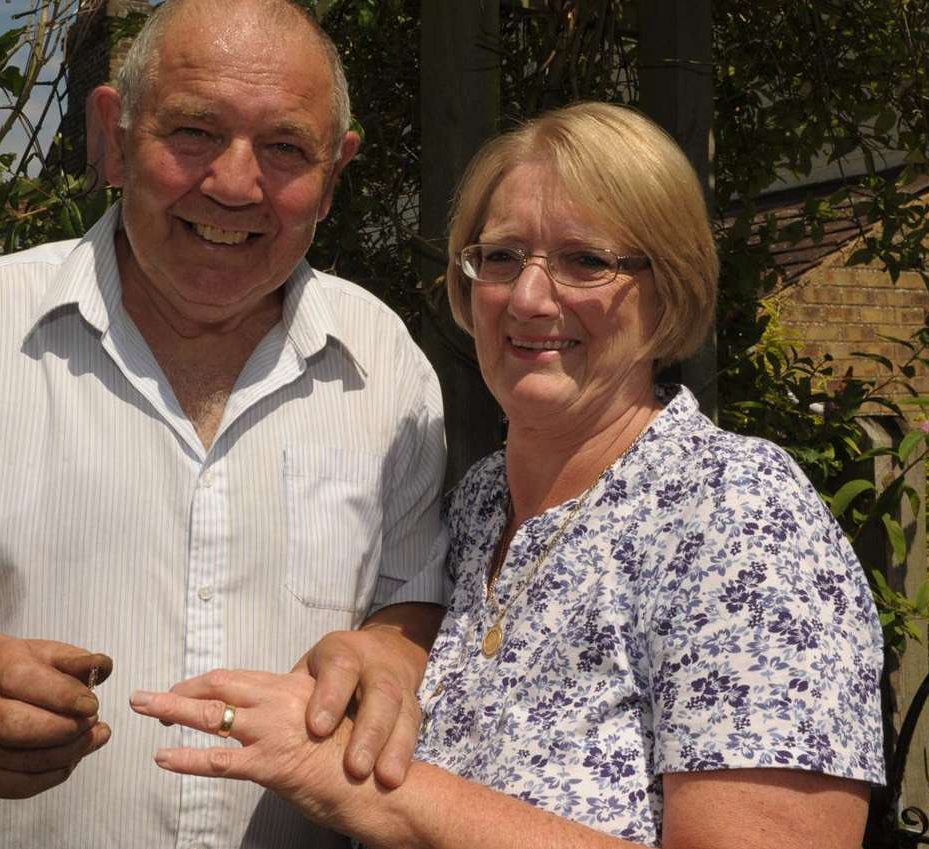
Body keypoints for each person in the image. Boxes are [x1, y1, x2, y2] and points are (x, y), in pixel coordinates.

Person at [128, 102, 887, 849]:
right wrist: (378, 649)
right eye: (500, 257)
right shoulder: (478, 507)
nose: (526, 297)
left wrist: (378, 794)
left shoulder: (736, 512)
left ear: (668, 291)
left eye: (585, 261)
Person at [0, 1, 449, 847]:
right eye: (195, 131)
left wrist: (391, 651)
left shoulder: (386, 363)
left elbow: (409, 597)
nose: (235, 184)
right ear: (113, 135)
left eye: (284, 146)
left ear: (336, 173)